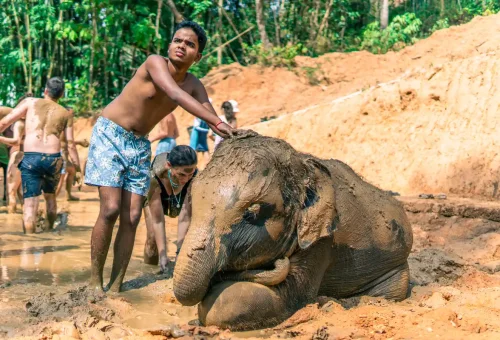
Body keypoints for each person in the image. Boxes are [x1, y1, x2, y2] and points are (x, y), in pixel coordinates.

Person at [84, 20, 235, 293]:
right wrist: (217, 122)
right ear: (169, 45)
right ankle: (95, 283)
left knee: (131, 217)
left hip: (139, 144)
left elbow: (211, 116)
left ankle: (116, 285)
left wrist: (231, 133)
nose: (182, 46)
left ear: (197, 56)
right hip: (110, 134)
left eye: (190, 44)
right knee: (110, 209)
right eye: (178, 40)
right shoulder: (155, 63)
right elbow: (173, 92)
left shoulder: (194, 84)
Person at [0, 77, 81, 234]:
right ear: (62, 94)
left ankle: (29, 242)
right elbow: (70, 143)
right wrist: (77, 168)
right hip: (53, 159)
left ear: (45, 91)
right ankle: (49, 232)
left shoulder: (30, 102)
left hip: (31, 158)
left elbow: (4, 123)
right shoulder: (65, 113)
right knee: (51, 198)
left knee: (30, 204)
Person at [143, 146, 197, 272]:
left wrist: (179, 252)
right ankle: (151, 270)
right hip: (157, 193)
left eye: (190, 174)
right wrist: (163, 255)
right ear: (169, 165)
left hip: (178, 199)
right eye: (181, 174)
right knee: (152, 238)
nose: (185, 179)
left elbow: (185, 217)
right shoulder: (154, 177)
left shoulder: (193, 178)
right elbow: (158, 221)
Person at [0, 93, 33, 213]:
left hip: (17, 157)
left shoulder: (19, 123)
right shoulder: (34, 123)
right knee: (22, 193)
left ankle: (11, 217)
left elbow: (16, 141)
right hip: (30, 159)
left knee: (11, 194)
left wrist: (1, 139)